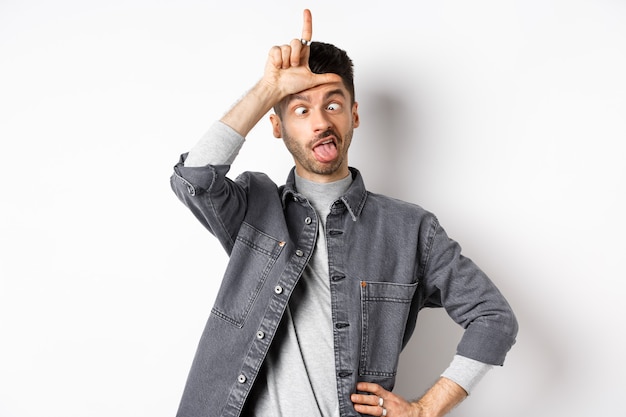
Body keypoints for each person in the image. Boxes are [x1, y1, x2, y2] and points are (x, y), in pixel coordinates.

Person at [170, 9, 518, 417]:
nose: (320, 122)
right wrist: (269, 87)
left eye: (333, 105)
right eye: (300, 110)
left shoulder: (411, 229)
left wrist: (427, 408)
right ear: (277, 126)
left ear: (354, 114)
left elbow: (494, 319)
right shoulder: (253, 205)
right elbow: (193, 177)